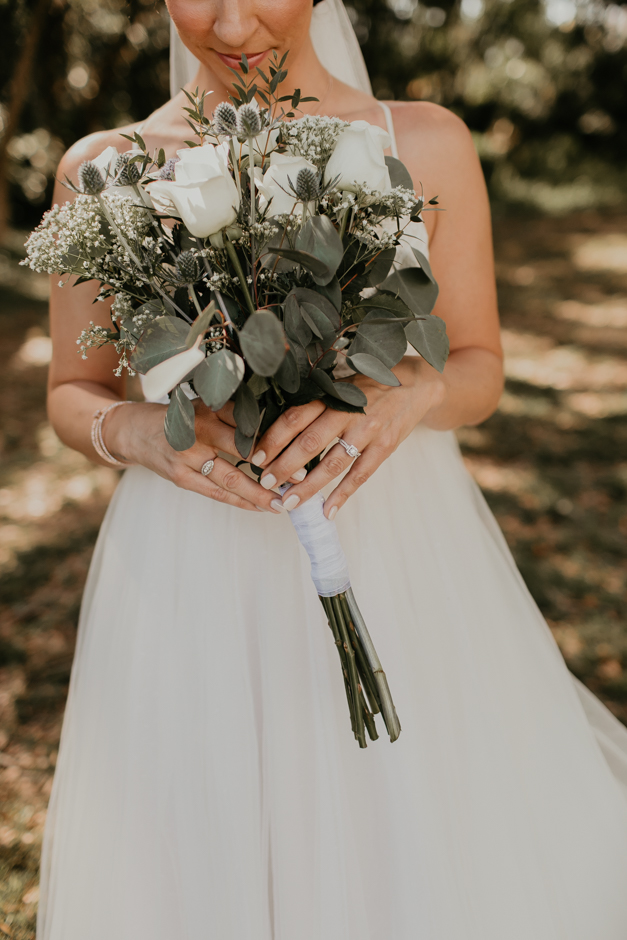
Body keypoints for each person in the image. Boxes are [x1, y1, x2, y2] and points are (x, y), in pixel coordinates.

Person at [38, 1, 627, 938]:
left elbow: (476, 364)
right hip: (192, 547)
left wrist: (406, 395)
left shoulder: (421, 140)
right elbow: (73, 388)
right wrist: (140, 433)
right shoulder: (102, 167)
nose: (233, 26)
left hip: (391, 535)